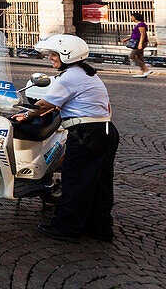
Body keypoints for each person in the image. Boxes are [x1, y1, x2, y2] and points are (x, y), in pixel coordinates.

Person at [15, 34, 118, 241]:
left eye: (54, 54)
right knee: (99, 182)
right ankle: (100, 227)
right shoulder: (85, 73)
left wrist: (24, 114)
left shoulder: (70, 77)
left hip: (86, 134)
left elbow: (45, 105)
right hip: (104, 131)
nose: (51, 58)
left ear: (67, 55)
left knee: (76, 180)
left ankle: (66, 227)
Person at [128, 12, 152, 78]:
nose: (131, 17)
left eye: (132, 16)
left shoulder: (141, 24)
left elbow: (142, 34)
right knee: (140, 56)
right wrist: (128, 39)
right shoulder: (138, 24)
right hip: (138, 42)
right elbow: (136, 34)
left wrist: (140, 44)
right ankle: (144, 73)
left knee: (132, 56)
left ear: (135, 17)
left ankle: (146, 69)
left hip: (140, 42)